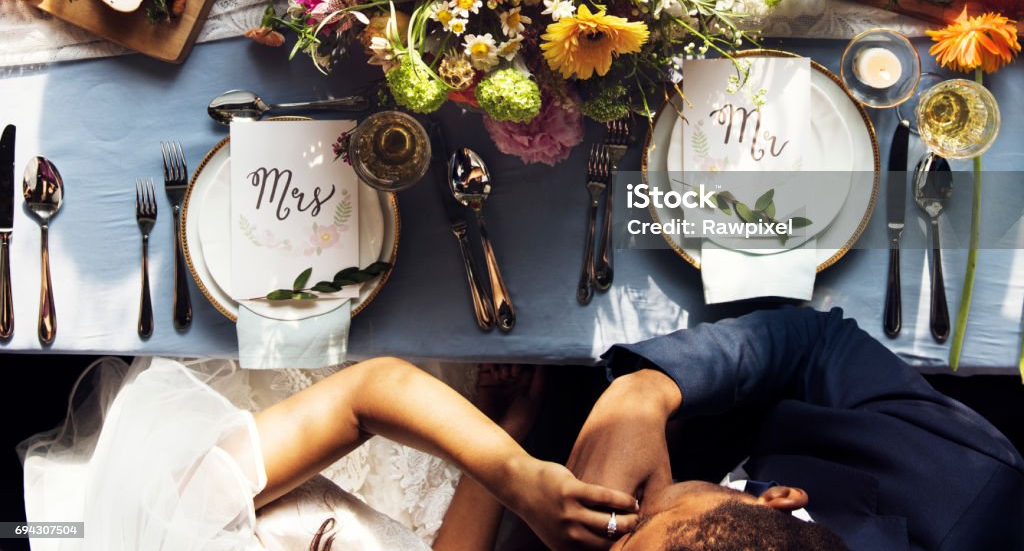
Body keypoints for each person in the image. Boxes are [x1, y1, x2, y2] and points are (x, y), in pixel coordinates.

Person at [19, 356, 637, 551]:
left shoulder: (177, 524)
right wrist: (511, 433)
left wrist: (516, 475)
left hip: (78, 518)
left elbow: (361, 397)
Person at [564, 306, 1024, 551]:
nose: (611, 534)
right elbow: (819, 342)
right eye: (638, 528)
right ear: (779, 499)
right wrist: (647, 391)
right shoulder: (961, 474)